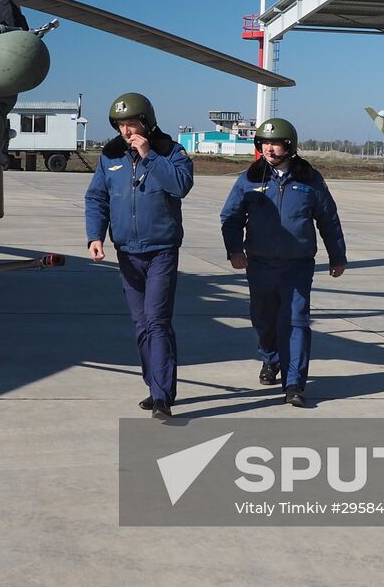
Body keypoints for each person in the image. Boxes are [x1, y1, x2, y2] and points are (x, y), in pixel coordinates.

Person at [219, 118, 346, 408]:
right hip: (260, 264)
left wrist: (337, 255)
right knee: (263, 318)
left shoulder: (310, 180)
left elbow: (328, 219)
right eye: (264, 143)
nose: (269, 148)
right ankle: (270, 357)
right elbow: (231, 218)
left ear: (289, 146)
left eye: (275, 143)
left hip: (297, 265)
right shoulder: (249, 179)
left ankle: (295, 384)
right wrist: (234, 250)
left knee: (296, 322)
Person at [85, 92, 194, 421]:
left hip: (161, 250)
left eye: (131, 124)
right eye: (120, 125)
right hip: (127, 254)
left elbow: (181, 185)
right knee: (141, 325)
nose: (126, 132)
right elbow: (97, 198)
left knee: (157, 322)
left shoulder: (171, 152)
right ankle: (156, 385)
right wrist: (95, 236)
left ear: (145, 122)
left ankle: (162, 397)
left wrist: (149, 155)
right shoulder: (110, 156)